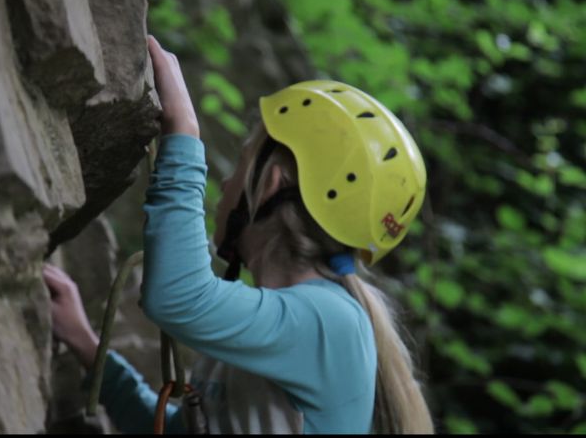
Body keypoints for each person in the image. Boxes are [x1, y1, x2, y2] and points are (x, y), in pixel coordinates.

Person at [42, 35, 435, 434]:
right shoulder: (256, 334)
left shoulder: (332, 323)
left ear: (270, 185)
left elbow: (178, 297)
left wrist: (183, 134)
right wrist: (87, 345)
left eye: (242, 162)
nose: (228, 180)